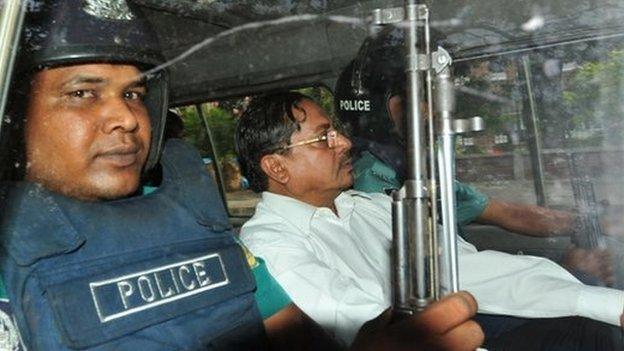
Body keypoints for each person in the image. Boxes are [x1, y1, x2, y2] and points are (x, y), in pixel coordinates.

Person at [0, 2, 483, 350]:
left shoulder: (188, 219)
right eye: (83, 94)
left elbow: (296, 337)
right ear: (12, 116)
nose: (126, 118)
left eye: (132, 94)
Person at [236, 91, 624, 350]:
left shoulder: (371, 207)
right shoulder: (268, 244)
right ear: (277, 167)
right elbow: (359, 320)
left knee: (587, 318)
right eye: (324, 138)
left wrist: (602, 302)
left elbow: (464, 269)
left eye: (337, 132)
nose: (345, 143)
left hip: (453, 329)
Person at [333, 26, 614, 287]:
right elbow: (436, 279)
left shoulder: (420, 173)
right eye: (420, 98)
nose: (431, 111)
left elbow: (506, 212)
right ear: (381, 113)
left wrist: (587, 222)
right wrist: (567, 274)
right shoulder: (371, 186)